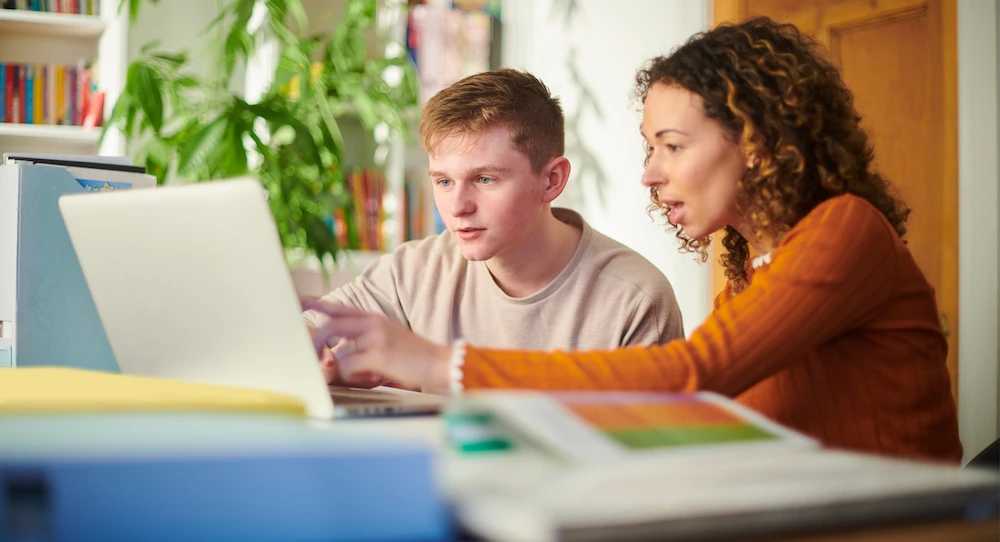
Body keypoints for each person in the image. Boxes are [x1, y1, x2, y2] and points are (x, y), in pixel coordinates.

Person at [306, 17, 962, 463]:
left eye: (672, 147)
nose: (649, 174)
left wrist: (436, 365)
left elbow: (687, 376)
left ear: (756, 144)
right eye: (650, 148)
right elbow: (708, 421)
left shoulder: (844, 230)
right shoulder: (754, 269)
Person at [305, 68, 684, 386]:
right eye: (444, 181)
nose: (457, 207)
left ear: (551, 180)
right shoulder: (414, 271)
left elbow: (640, 457)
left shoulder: (635, 300)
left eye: (484, 179)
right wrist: (322, 365)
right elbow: (303, 334)